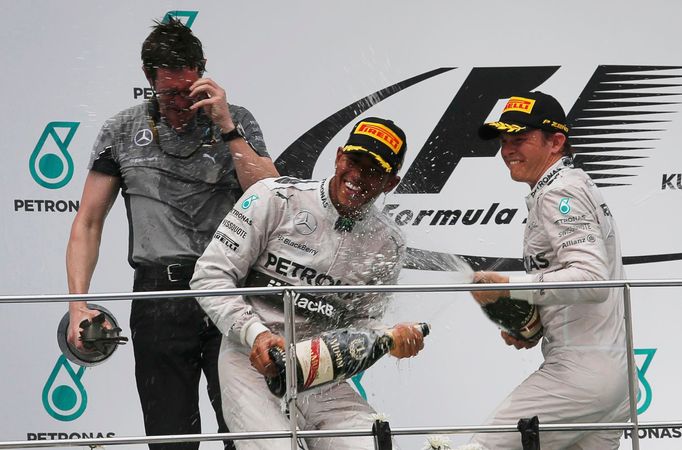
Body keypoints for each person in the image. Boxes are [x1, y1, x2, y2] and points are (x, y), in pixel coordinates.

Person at [65, 18, 278, 450]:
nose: (181, 102)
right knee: (170, 440)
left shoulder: (236, 121)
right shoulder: (121, 131)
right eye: (170, 93)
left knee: (250, 436)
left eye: (189, 89)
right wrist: (76, 305)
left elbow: (272, 197)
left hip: (230, 293)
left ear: (203, 72)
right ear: (149, 80)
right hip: (159, 299)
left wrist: (227, 127)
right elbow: (87, 222)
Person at [191, 117, 426, 450]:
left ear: (390, 182)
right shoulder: (274, 199)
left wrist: (389, 338)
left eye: (374, 171)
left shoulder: (387, 243)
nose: (358, 175)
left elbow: (362, 323)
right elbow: (209, 275)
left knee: (371, 445)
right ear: (339, 156)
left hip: (321, 369)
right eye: (354, 161)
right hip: (251, 359)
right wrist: (254, 333)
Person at [466, 91, 629, 449]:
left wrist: (509, 286)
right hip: (611, 378)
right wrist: (531, 324)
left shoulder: (560, 192)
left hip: (580, 376)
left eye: (520, 139)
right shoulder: (572, 185)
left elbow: (592, 279)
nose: (507, 150)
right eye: (504, 141)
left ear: (556, 142)